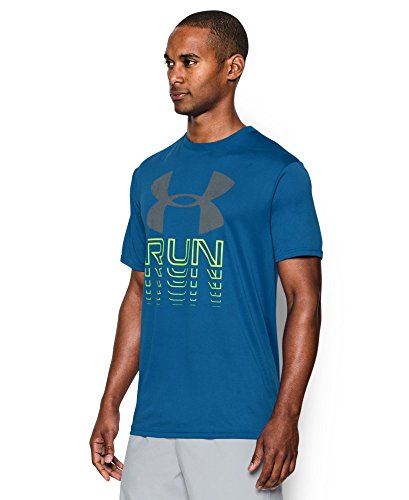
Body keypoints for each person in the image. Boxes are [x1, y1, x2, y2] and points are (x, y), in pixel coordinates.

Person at [89, 9, 323, 500]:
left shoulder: (279, 172)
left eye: (189, 62)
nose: (175, 76)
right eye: (169, 63)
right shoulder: (149, 175)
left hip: (240, 429)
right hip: (153, 426)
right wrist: (111, 402)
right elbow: (138, 294)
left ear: (232, 67)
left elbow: (304, 299)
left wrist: (287, 414)